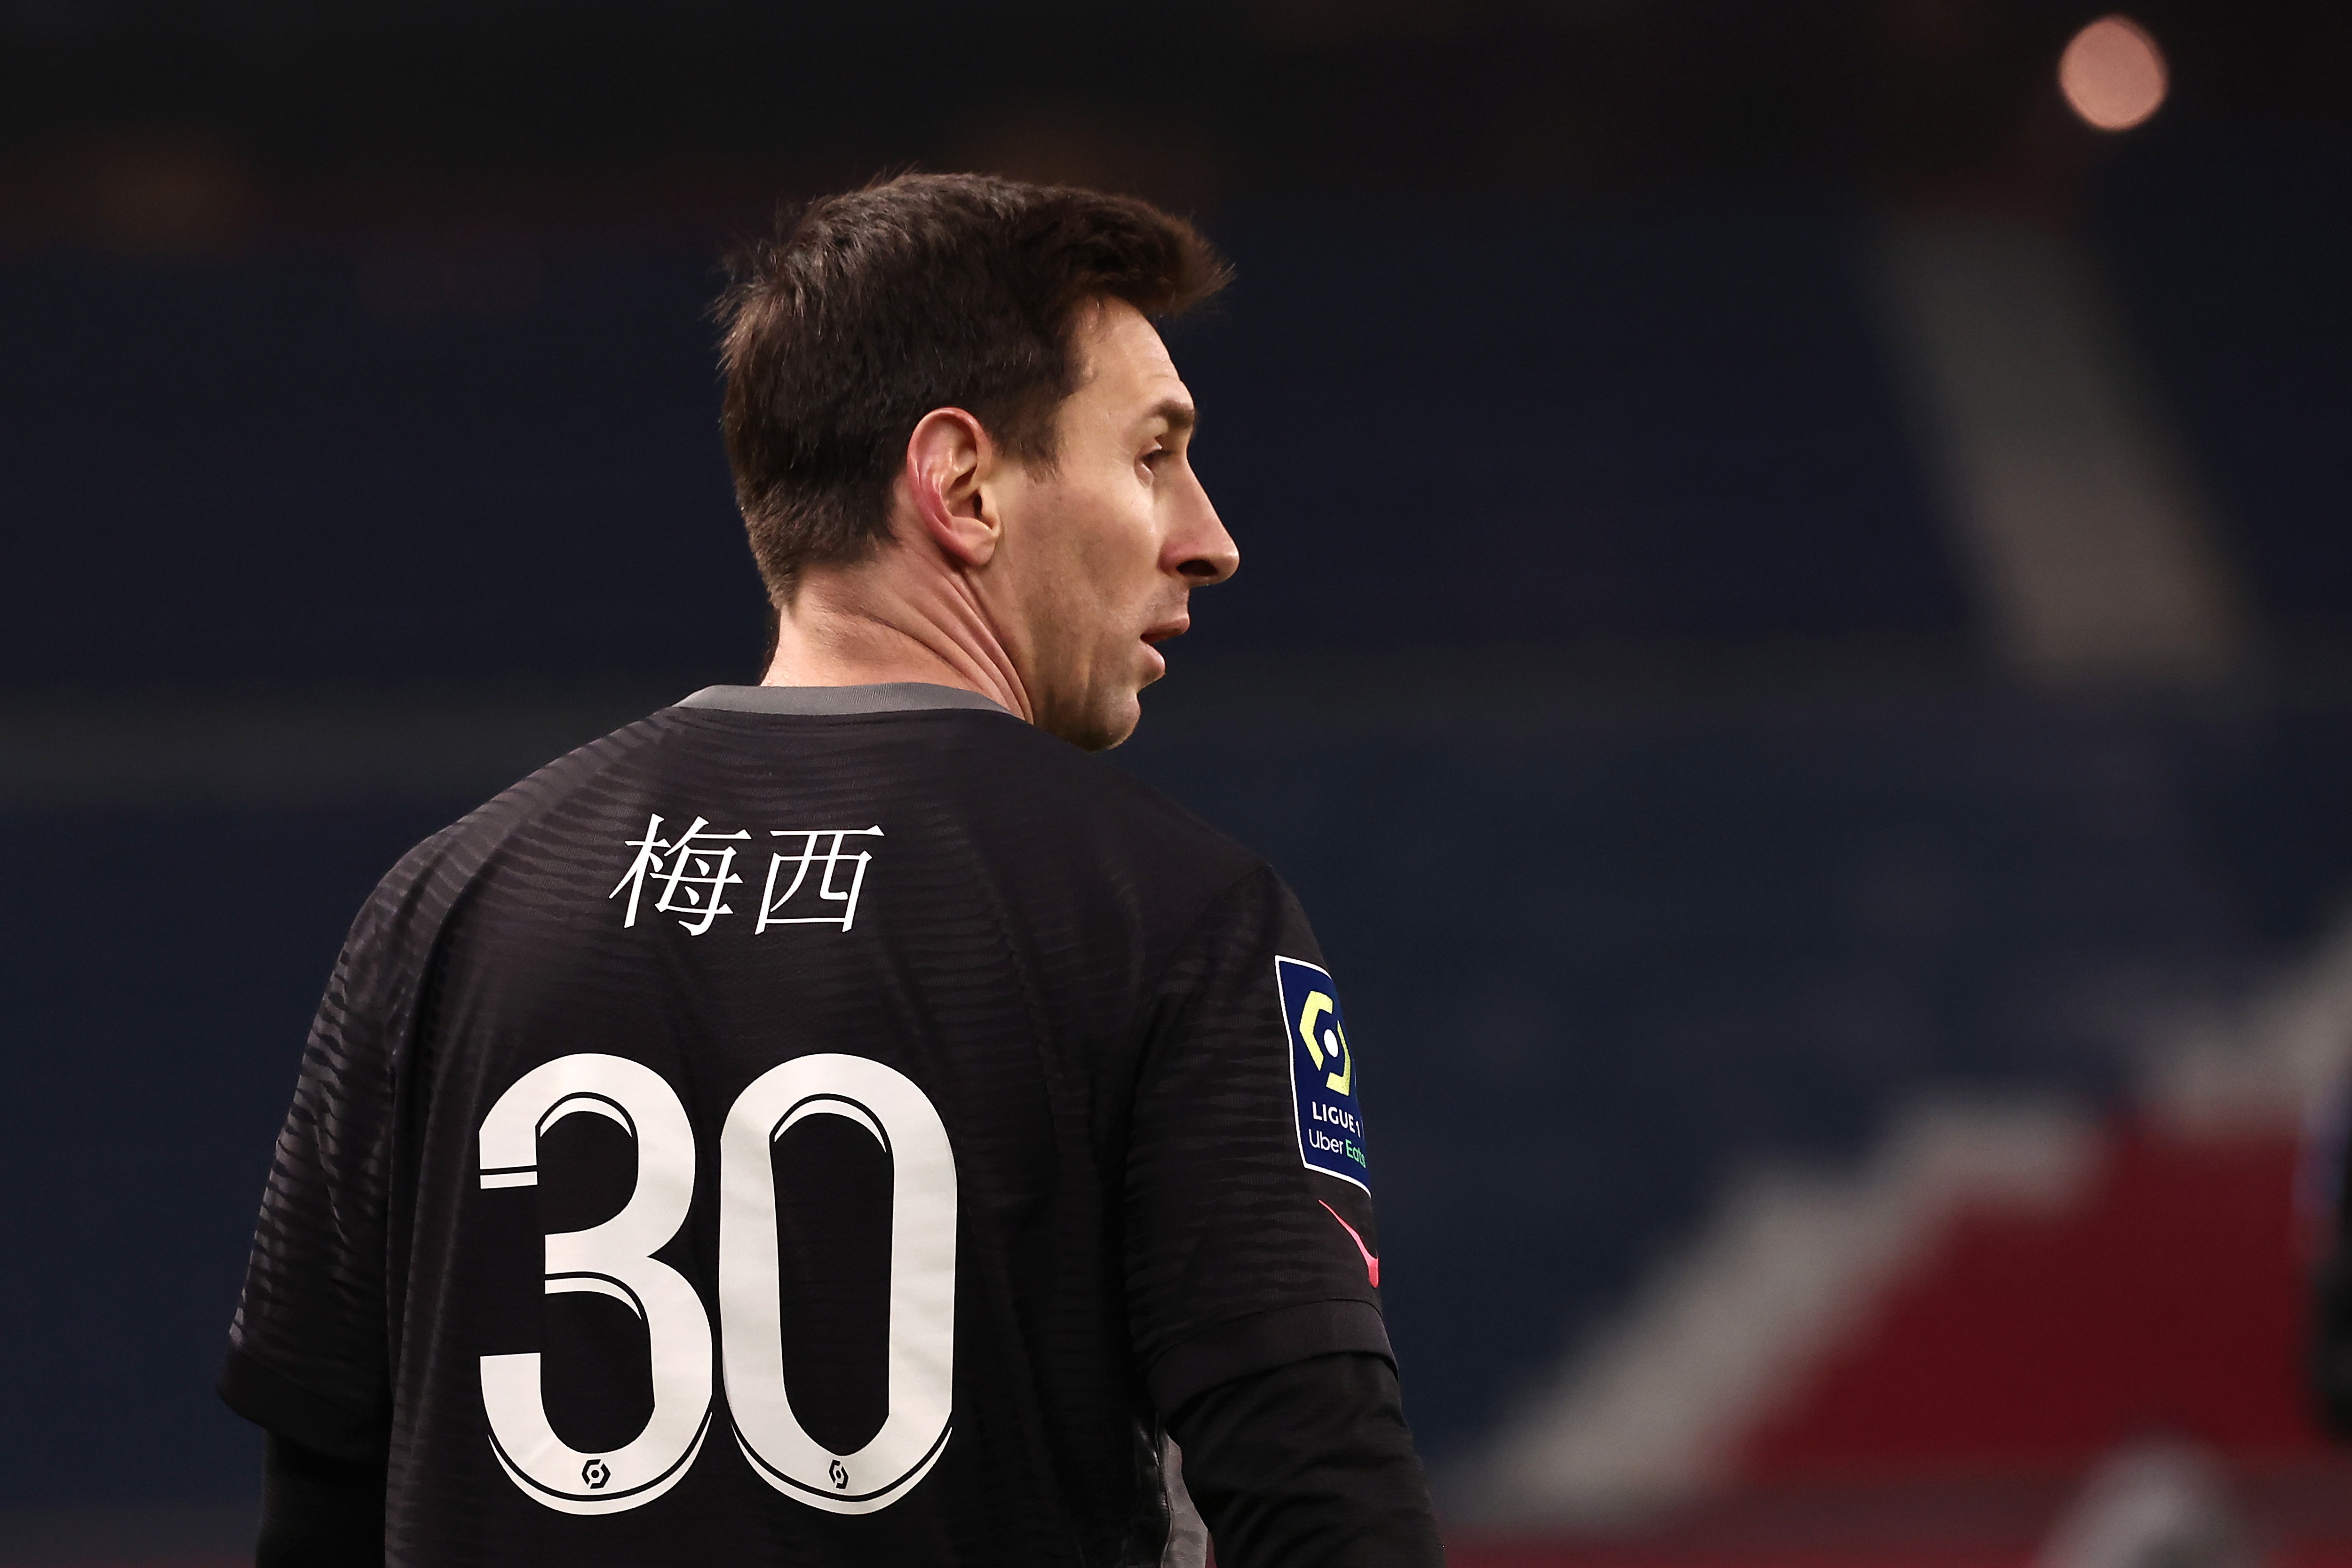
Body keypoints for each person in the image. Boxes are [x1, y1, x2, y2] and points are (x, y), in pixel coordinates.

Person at [219, 172, 1446, 1568]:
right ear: (963, 484)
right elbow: (1322, 1494)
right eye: (1155, 454)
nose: (1208, 538)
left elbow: (319, 1503)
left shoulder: (443, 909)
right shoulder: (1173, 917)